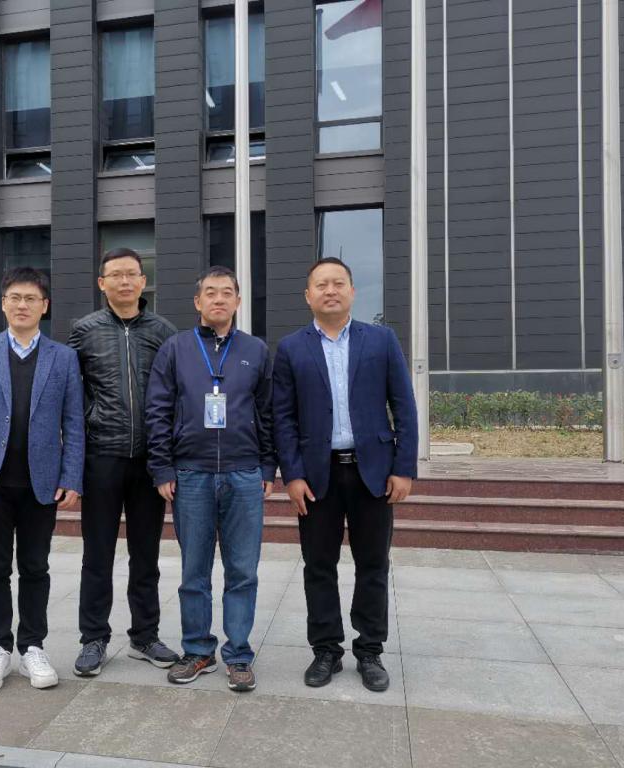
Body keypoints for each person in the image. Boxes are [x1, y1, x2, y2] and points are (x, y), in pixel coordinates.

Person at [272, 257, 418, 692]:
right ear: (308, 295)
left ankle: (369, 650)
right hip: (317, 477)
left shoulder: (381, 340)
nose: (330, 291)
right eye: (321, 285)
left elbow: (404, 406)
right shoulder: (291, 348)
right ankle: (326, 650)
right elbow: (283, 417)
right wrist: (292, 475)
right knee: (319, 565)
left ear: (352, 291)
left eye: (338, 283)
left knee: (373, 564)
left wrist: (404, 468)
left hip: (373, 472)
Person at [0, 267, 84, 693]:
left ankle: (33, 647)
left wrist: (72, 477)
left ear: (45, 306)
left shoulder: (63, 358)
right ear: (4, 304)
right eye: (15, 298)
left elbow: (74, 423)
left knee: (36, 567)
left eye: (31, 299)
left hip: (41, 483)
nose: (22, 305)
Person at [145, 265, 275, 693]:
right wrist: (163, 467)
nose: (219, 299)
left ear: (238, 301)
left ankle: (238, 655)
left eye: (227, 293)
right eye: (211, 293)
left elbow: (267, 413)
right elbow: (158, 411)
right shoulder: (175, 349)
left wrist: (267, 467)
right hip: (191, 474)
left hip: (244, 473)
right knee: (194, 571)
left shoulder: (255, 350)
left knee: (243, 571)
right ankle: (198, 650)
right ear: (198, 301)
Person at [68, 247, 180, 676]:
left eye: (132, 273)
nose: (125, 281)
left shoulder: (163, 331)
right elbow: (70, 393)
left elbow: (176, 393)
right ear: (102, 283)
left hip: (150, 461)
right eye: (116, 274)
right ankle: (93, 638)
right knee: (97, 554)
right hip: (102, 456)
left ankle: (145, 636)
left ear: (143, 280)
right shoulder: (83, 331)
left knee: (146, 554)